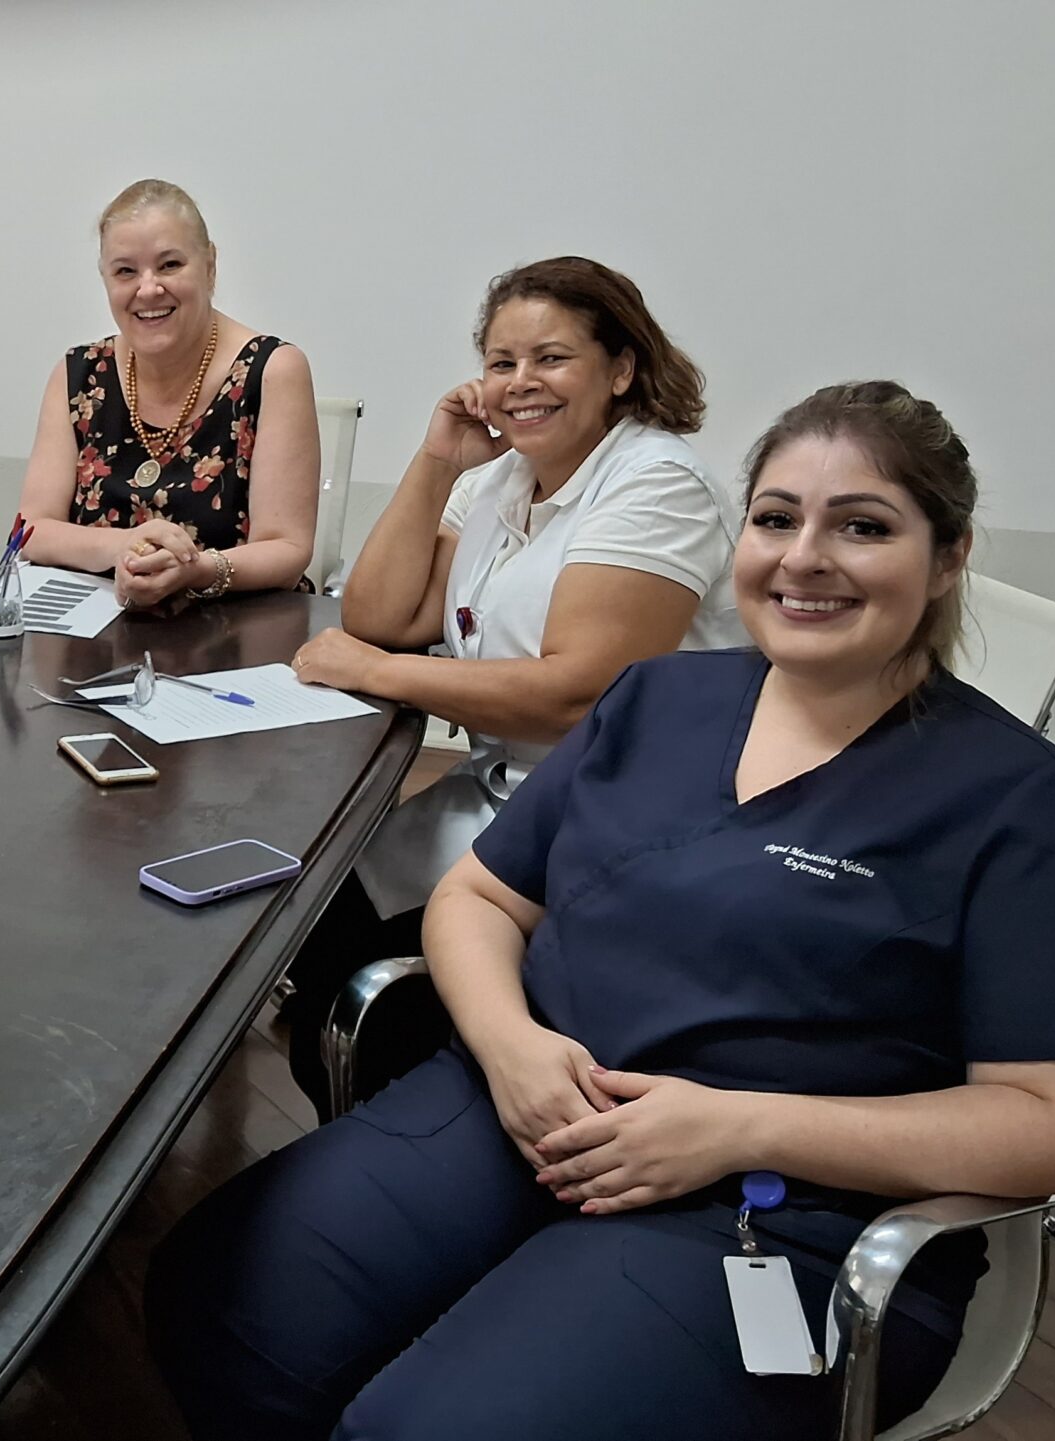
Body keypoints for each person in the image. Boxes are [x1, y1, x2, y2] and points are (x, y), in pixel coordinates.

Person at [147, 381, 1055, 1441]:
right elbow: (480, 895)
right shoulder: (658, 700)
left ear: (946, 557)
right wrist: (511, 1044)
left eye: (862, 525)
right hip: (516, 1115)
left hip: (780, 1207)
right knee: (213, 1296)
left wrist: (737, 1125)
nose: (804, 556)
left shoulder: (1022, 804)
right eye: (775, 518)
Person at [278, 257, 741, 1114]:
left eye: (551, 358)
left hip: (619, 816)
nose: (521, 383)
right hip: (504, 792)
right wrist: (435, 462)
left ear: (622, 369)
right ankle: (375, 1121)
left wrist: (376, 672)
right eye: (501, 362)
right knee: (300, 904)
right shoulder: (500, 477)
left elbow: (583, 696)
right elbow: (384, 613)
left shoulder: (657, 485)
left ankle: (425, 1127)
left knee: (365, 977)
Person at [14, 179, 318, 611]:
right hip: (97, 634)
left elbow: (287, 549)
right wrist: (126, 546)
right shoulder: (77, 373)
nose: (149, 289)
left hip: (238, 639)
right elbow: (32, 529)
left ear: (210, 265)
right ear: (105, 279)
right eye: (125, 271)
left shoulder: (273, 370)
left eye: (170, 264)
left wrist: (196, 570)